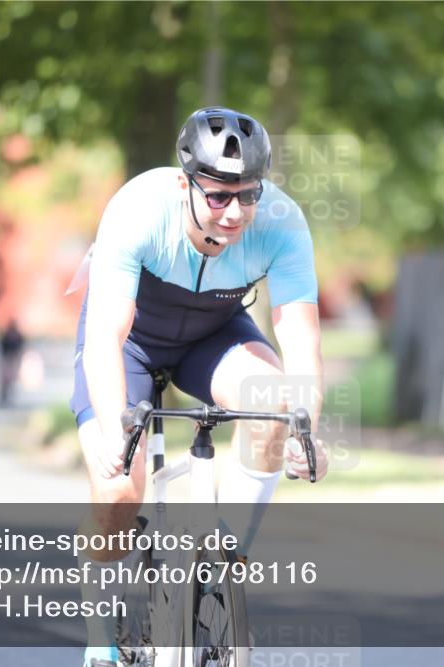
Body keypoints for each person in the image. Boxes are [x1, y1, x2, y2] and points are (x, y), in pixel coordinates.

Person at [69, 106, 329, 666]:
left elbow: (301, 340)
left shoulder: (282, 222)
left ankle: (220, 568)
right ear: (185, 183)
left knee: (276, 402)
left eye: (248, 195)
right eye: (217, 196)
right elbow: (105, 339)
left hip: (211, 337)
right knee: (118, 492)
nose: (235, 213)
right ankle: (99, 639)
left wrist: (306, 430)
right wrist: (119, 434)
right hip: (131, 342)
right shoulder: (139, 209)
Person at [0, 317, 25, 405]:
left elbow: (21, 345)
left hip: (14, 357)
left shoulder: (17, 335)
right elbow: (2, 345)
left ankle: (9, 393)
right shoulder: (6, 334)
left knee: (11, 377)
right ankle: (4, 394)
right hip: (7, 357)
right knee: (5, 378)